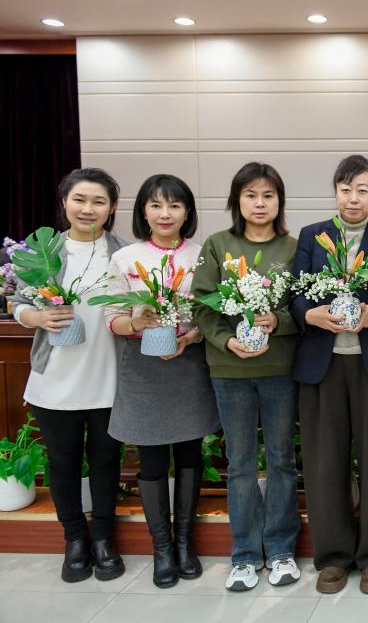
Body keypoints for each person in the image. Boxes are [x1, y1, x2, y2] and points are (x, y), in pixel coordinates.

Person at [290, 155, 368, 595]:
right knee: (325, 463)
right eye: (345, 189)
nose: (353, 198)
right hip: (322, 364)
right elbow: (296, 295)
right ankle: (333, 557)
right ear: (335, 191)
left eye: (362, 190)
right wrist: (310, 314)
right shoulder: (311, 237)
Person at [103, 174, 219, 588]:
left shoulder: (202, 255)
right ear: (143, 211)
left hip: (189, 366)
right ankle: (162, 549)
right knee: (151, 460)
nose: (165, 213)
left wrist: (190, 336)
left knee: (189, 455)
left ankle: (185, 544)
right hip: (143, 368)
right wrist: (137, 322)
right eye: (156, 205)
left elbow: (213, 313)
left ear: (187, 212)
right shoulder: (125, 258)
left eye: (174, 205)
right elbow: (111, 318)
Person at [12, 168, 128, 583]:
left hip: (109, 378)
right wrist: (35, 317)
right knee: (62, 463)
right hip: (56, 380)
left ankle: (104, 539)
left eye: (98, 201)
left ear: (112, 208)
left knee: (106, 461)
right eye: (79, 199)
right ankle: (75, 540)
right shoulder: (44, 249)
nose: (88, 209)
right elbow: (17, 302)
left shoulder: (123, 252)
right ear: (64, 202)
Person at [192, 162, 301, 591]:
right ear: (237, 200)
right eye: (251, 195)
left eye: (268, 195)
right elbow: (202, 304)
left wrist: (279, 320)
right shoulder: (218, 245)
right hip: (230, 370)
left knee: (282, 461)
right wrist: (226, 341)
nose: (260, 203)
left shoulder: (293, 248)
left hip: (280, 371)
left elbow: (303, 308)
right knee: (239, 464)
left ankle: (281, 550)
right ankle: (244, 555)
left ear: (279, 201)